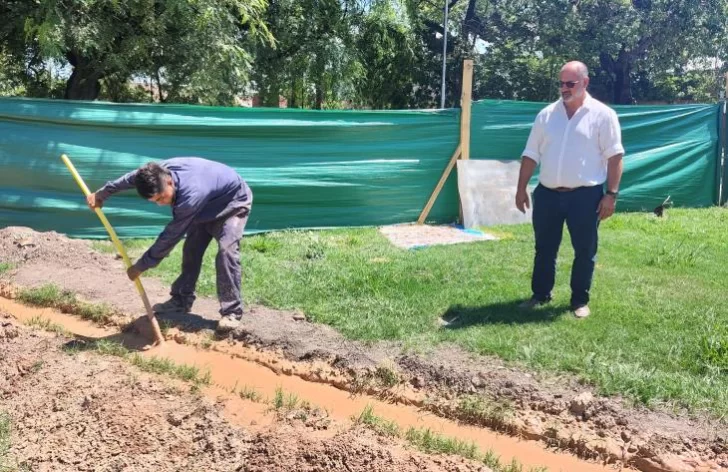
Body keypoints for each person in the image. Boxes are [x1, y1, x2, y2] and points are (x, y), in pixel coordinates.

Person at [87, 157, 253, 332]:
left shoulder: (191, 195)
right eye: (154, 201)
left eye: (161, 197)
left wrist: (142, 265)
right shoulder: (153, 174)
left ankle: (232, 312)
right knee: (191, 250)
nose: (160, 204)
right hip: (204, 205)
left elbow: (171, 236)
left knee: (226, 250)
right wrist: (101, 194)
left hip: (231, 203)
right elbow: (129, 179)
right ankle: (181, 300)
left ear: (169, 181)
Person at [515, 61, 624, 318]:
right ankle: (540, 294)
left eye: (570, 84)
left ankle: (579, 301)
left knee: (585, 250)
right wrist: (521, 188)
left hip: (586, 196)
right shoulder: (546, 115)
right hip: (548, 193)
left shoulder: (603, 115)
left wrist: (611, 195)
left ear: (585, 83)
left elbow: (615, 157)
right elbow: (531, 154)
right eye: (561, 83)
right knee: (544, 248)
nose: (564, 88)